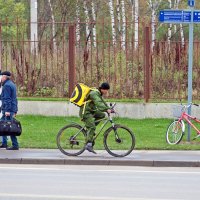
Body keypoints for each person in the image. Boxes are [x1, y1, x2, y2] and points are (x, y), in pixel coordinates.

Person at [79, 82, 112, 154]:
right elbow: (98, 103)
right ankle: (88, 144)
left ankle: (90, 128)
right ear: (103, 89)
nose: (107, 92)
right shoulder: (94, 93)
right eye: (107, 90)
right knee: (92, 127)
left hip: (91, 111)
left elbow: (102, 102)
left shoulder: (98, 93)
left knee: (102, 115)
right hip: (86, 112)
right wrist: (106, 109)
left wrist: (109, 108)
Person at [0, 71, 19, 150]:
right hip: (11, 109)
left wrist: (7, 111)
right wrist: (15, 110)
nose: (1, 78)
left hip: (8, 110)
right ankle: (4, 143)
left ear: (4, 77)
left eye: (1, 77)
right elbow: (15, 99)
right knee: (3, 125)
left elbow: (8, 99)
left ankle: (15, 145)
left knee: (10, 127)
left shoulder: (7, 86)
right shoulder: (12, 84)